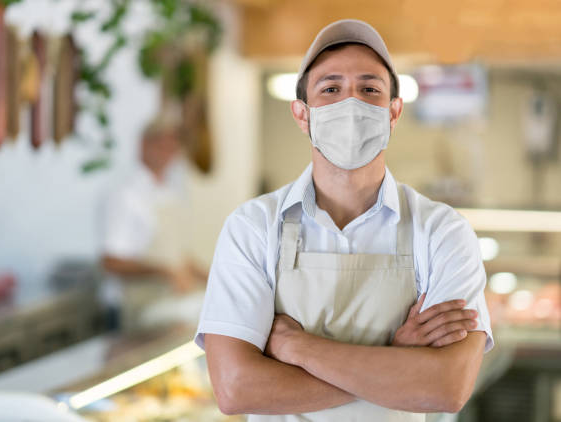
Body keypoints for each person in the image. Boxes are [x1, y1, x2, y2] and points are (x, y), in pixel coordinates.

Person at [195, 19, 494, 421]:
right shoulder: (252, 227)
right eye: (330, 89)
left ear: (393, 112)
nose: (350, 104)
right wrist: (395, 363)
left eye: (369, 89)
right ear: (302, 114)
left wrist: (296, 348)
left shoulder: (442, 232)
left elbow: (446, 387)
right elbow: (236, 390)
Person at [101, 120, 206, 331]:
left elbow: (177, 255)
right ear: (143, 145)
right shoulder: (126, 194)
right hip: (139, 308)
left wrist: (215, 278)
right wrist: (165, 272)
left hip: (172, 302)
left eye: (173, 147)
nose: (168, 153)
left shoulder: (170, 192)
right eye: (162, 145)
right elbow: (111, 261)